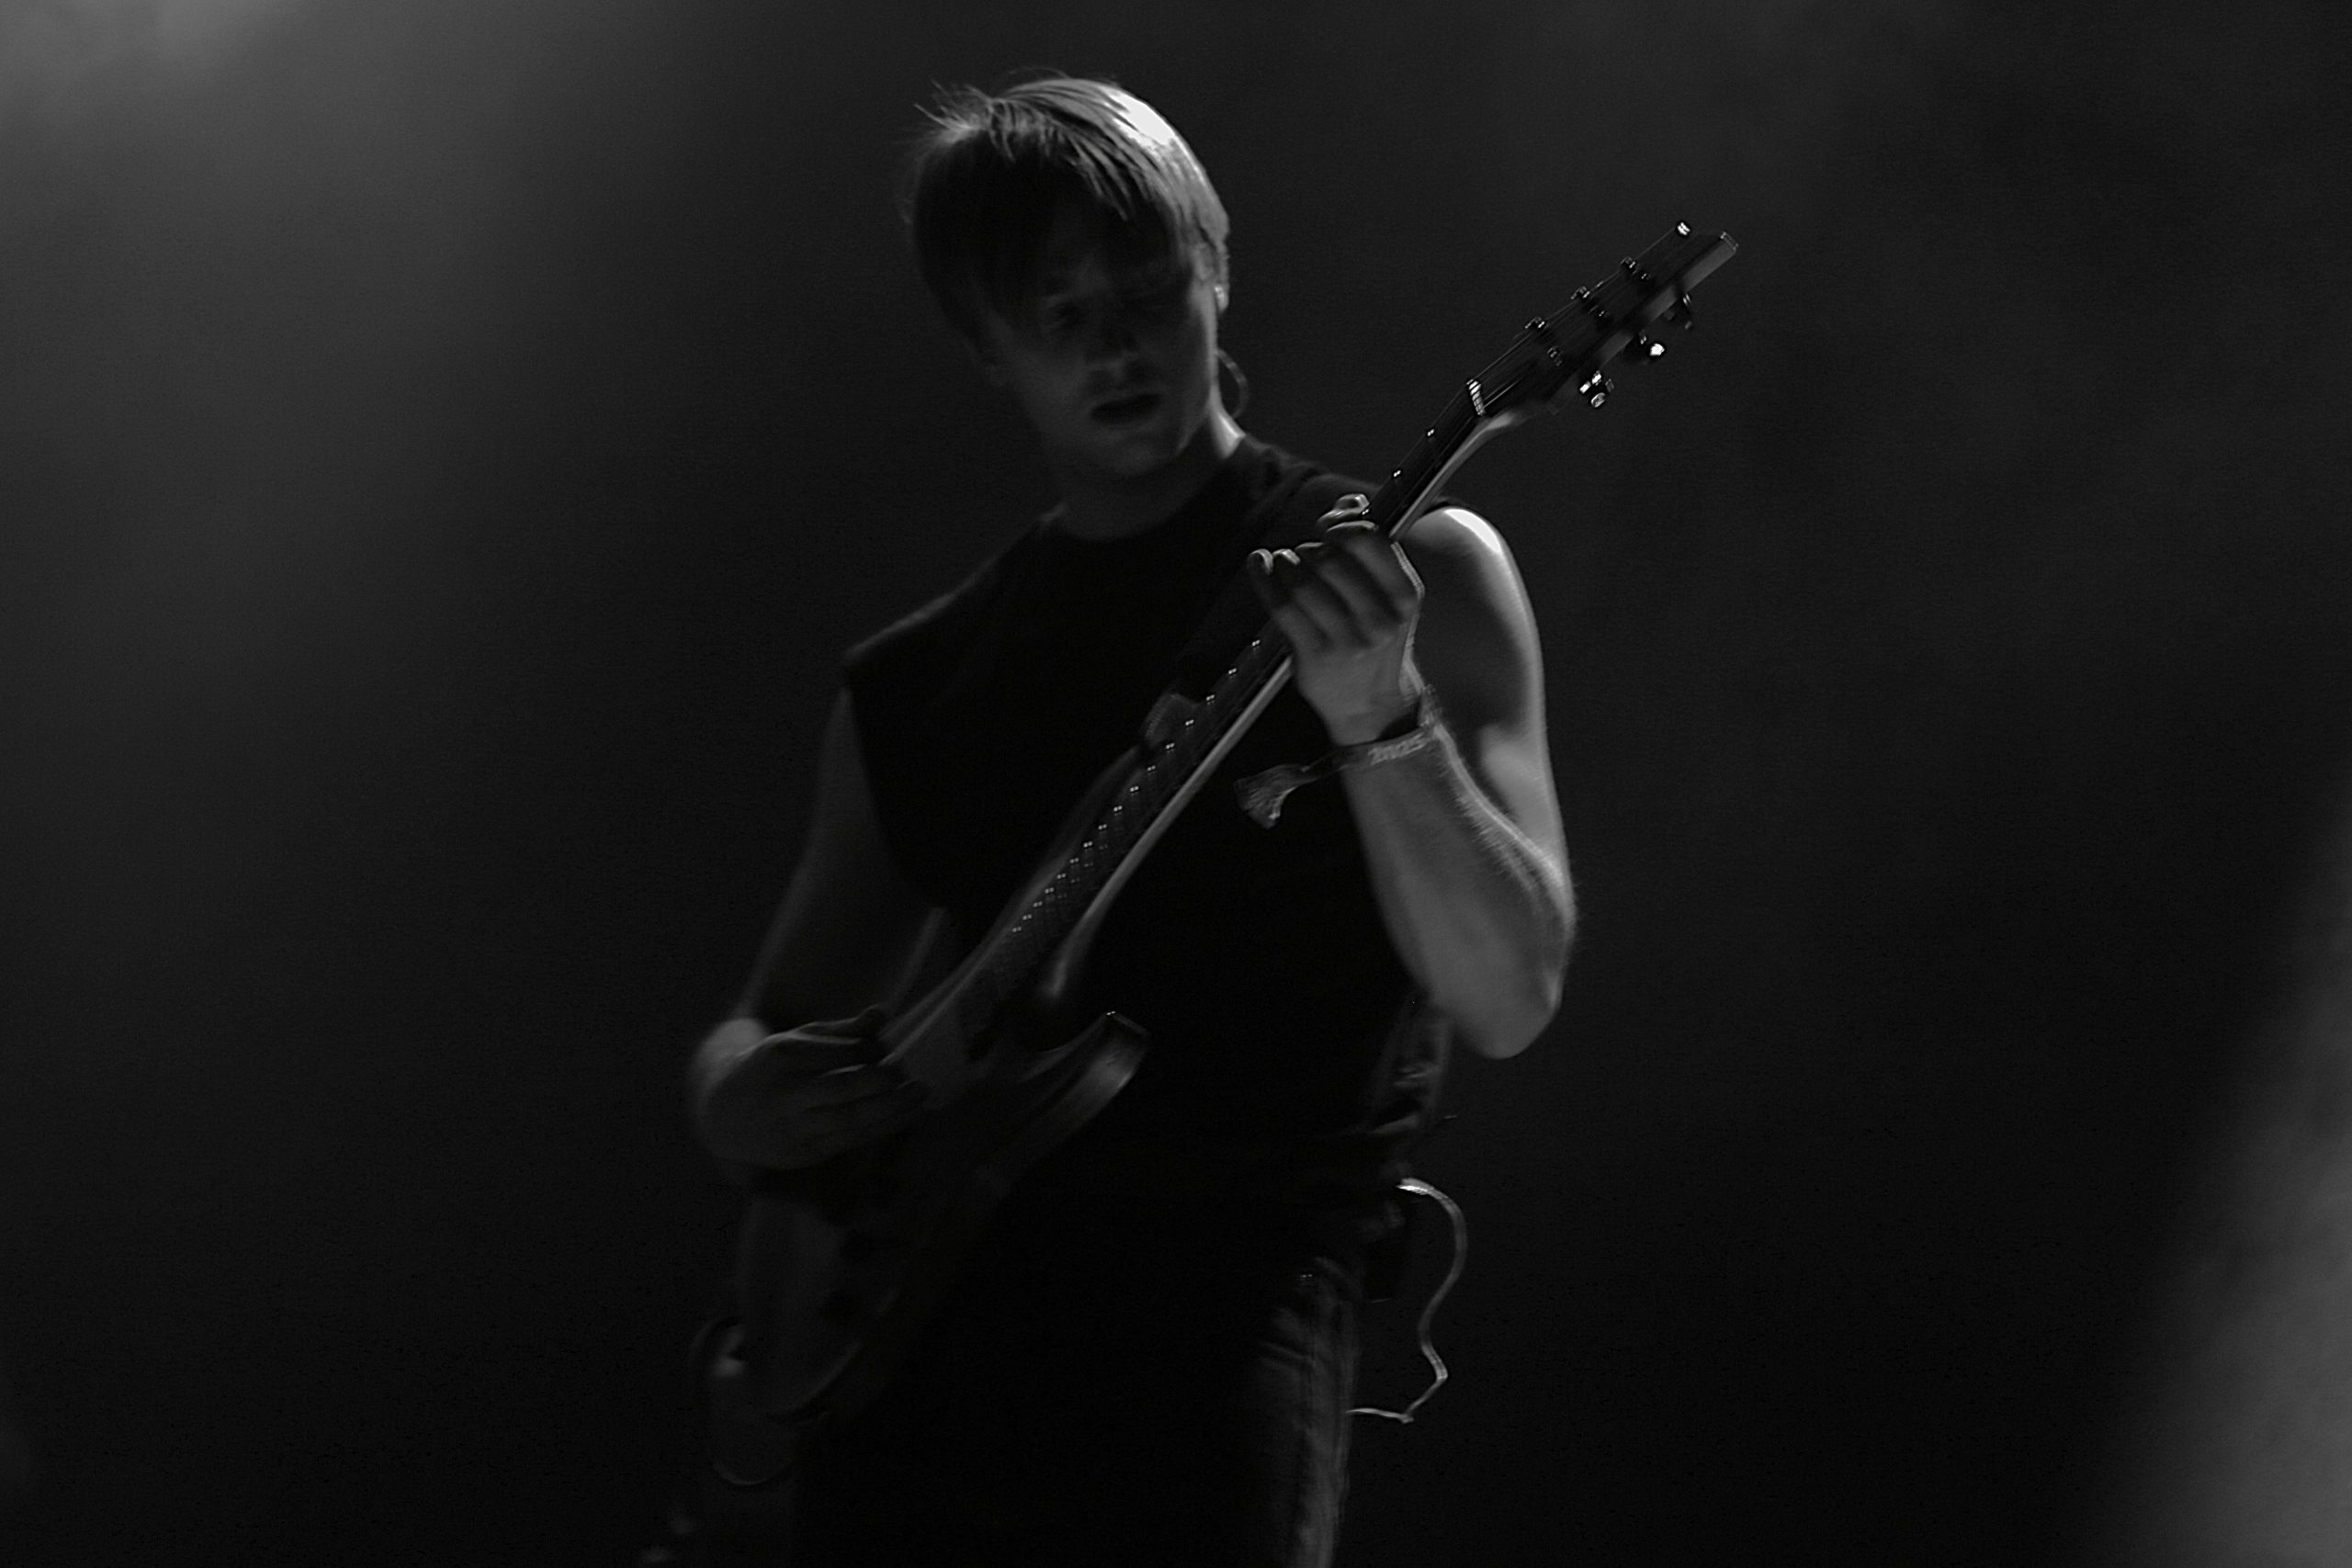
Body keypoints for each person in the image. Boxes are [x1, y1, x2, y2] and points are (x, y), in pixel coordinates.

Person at [682, 74, 1571, 1567]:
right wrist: (734, 1097)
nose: (1114, 344)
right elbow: (766, 1019)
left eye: (1147, 288)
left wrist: (1382, 720)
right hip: (916, 1349)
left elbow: (1512, 993)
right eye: (1058, 313)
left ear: (1216, 271)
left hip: (1225, 1330)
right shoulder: (918, 683)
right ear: (987, 350)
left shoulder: (1419, 573)